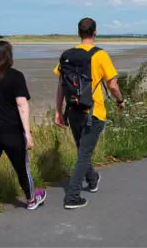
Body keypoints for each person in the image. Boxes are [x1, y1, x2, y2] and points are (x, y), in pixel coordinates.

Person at [0, 41, 47, 229]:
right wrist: (27, 133)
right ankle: (31, 199)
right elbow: (22, 106)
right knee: (22, 167)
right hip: (11, 132)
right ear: (9, 56)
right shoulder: (16, 77)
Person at [54, 18, 125, 209]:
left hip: (73, 110)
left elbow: (61, 85)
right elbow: (112, 84)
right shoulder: (100, 55)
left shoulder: (67, 55)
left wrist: (58, 111)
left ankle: (92, 179)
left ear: (79, 33)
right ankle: (72, 196)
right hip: (93, 112)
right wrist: (120, 100)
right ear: (95, 33)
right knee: (84, 154)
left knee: (82, 150)